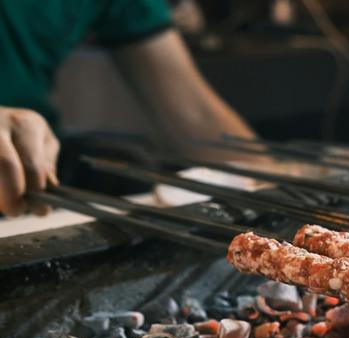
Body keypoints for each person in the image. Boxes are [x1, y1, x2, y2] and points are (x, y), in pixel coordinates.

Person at [0, 1, 255, 217]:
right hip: (16, 176)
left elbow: (193, 111)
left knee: (135, 171)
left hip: (37, 176)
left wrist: (271, 175)